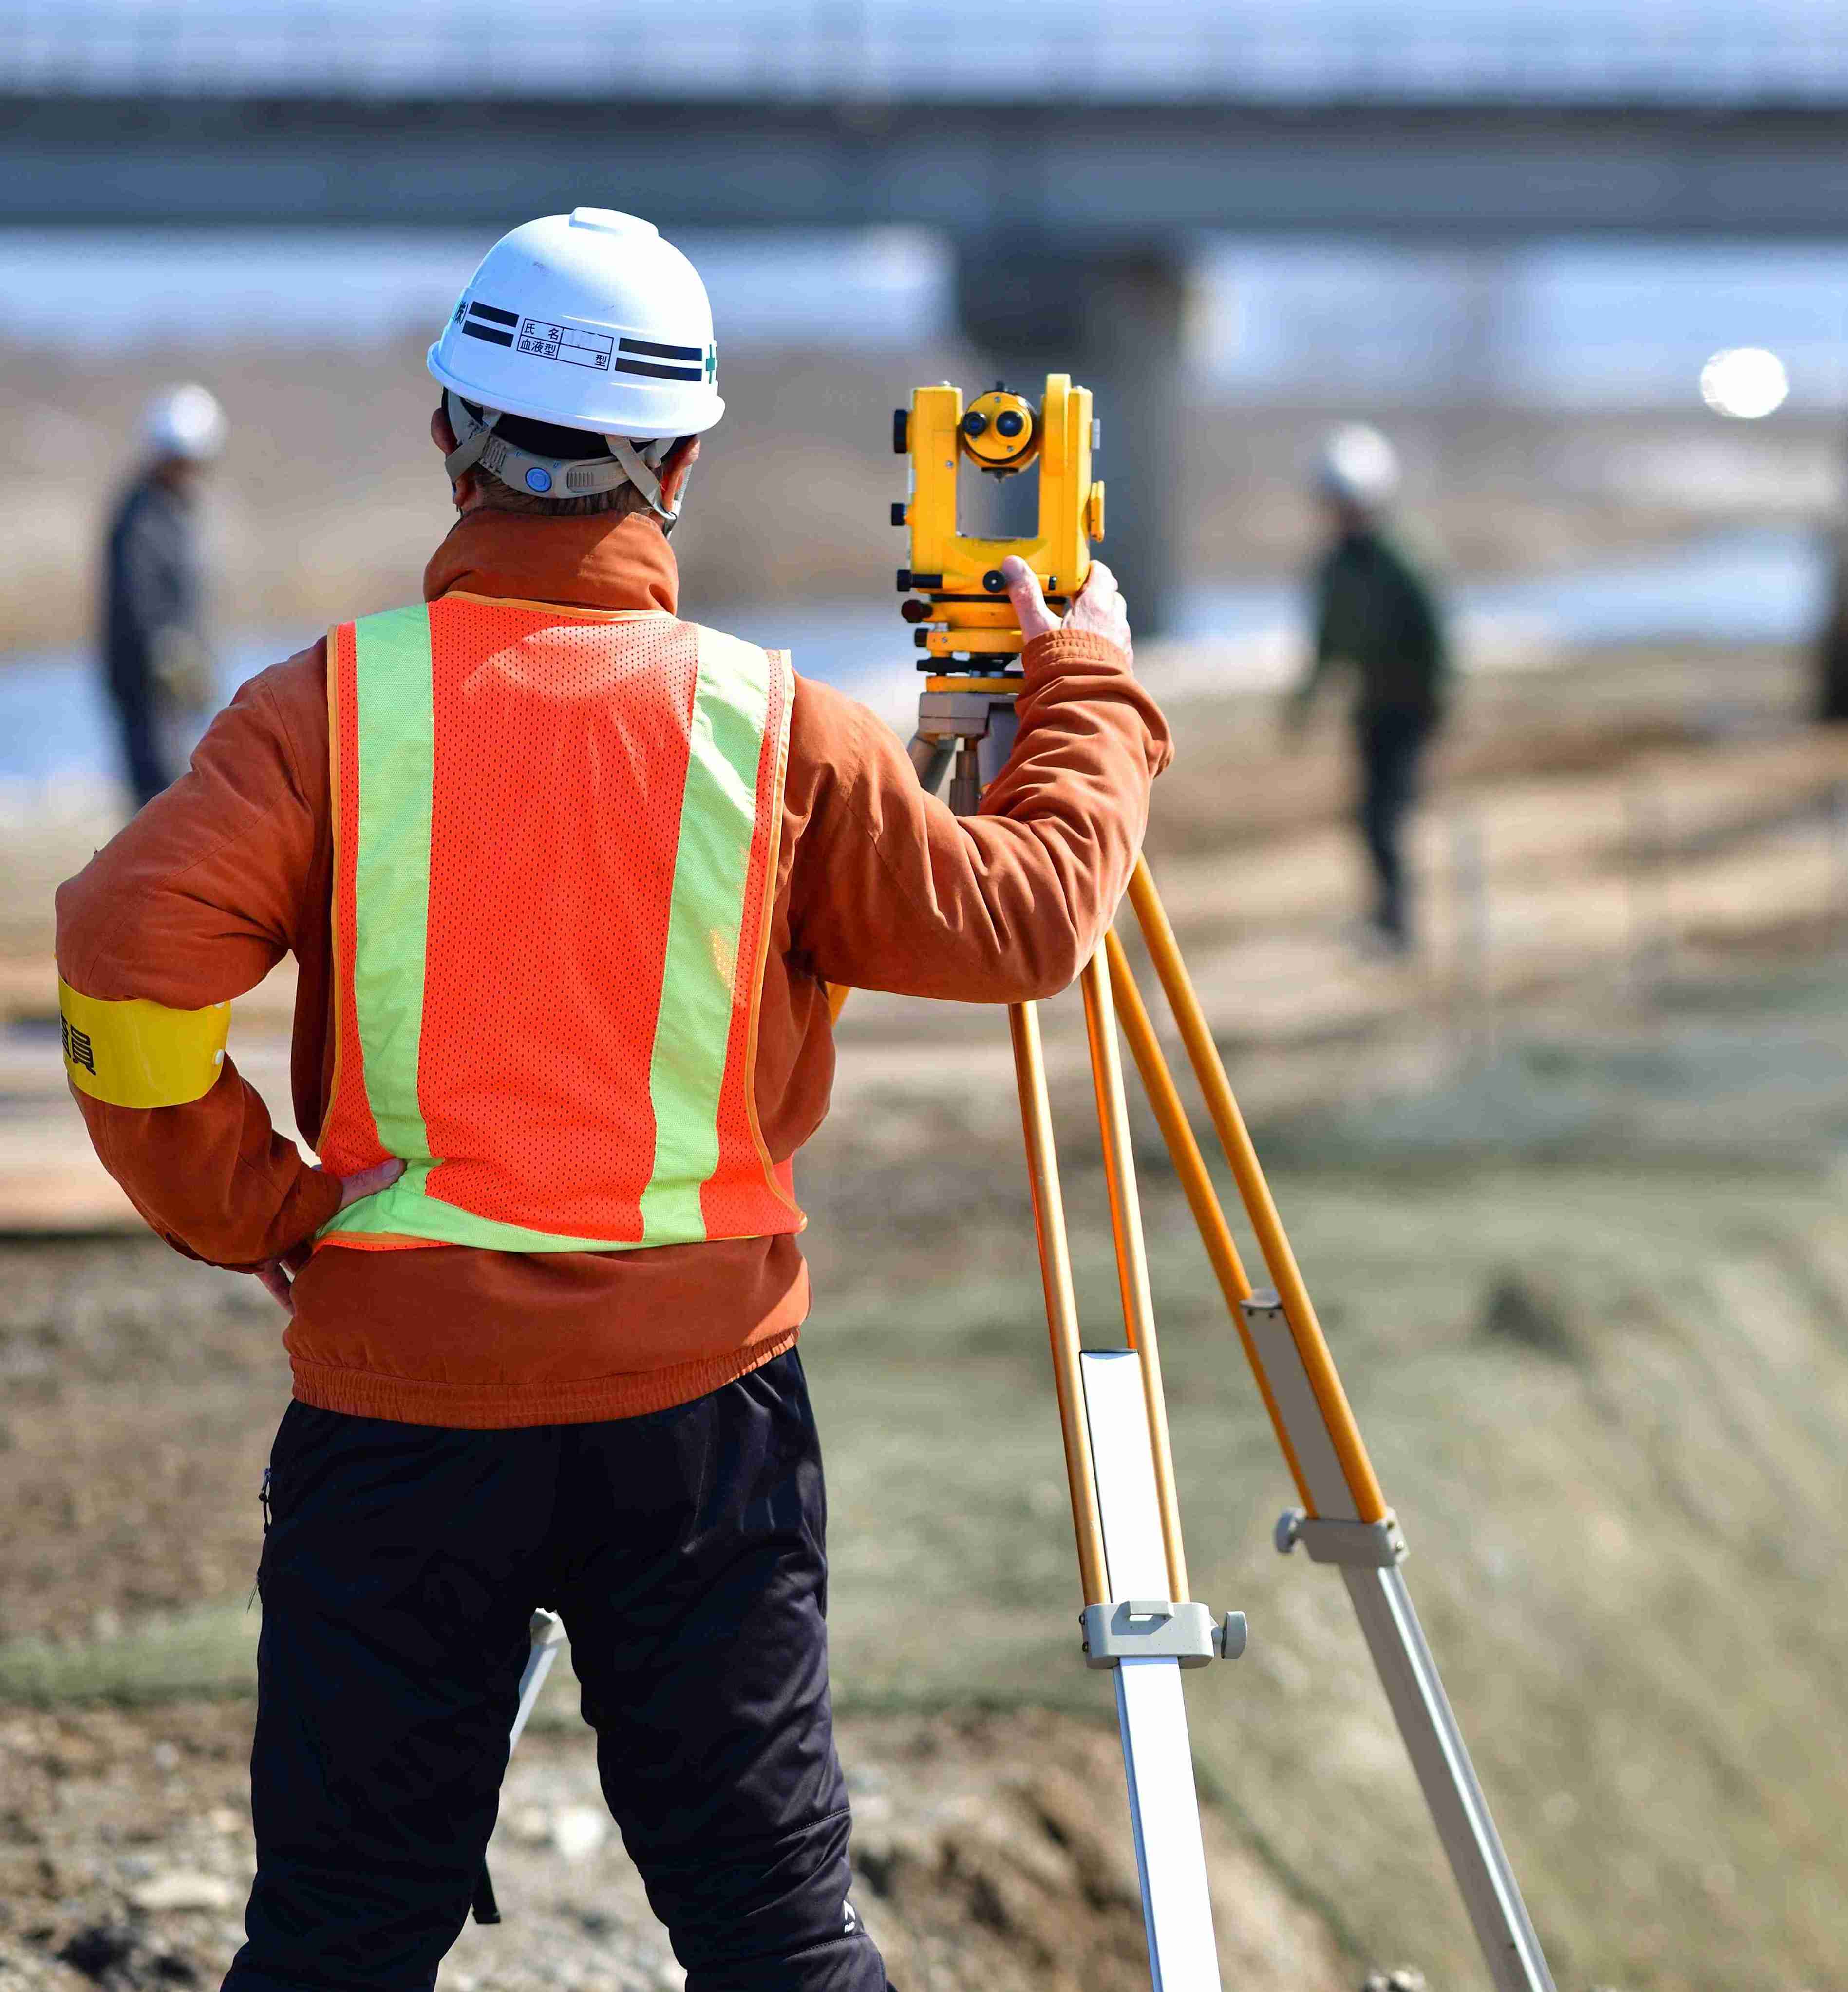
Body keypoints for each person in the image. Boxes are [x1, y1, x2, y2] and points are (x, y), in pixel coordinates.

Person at [52, 206, 1168, 1991]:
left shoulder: (321, 712)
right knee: (774, 1933)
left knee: (339, 1933)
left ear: (448, 437)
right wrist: (1086, 681)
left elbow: (123, 950)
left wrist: (244, 1202)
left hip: (399, 1414)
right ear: (682, 459)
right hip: (699, 1427)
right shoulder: (772, 723)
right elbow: (1027, 917)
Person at [1284, 422, 1450, 953]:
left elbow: (1434, 637)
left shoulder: (1402, 560)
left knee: (1385, 817)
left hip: (1408, 710)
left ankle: (1397, 925)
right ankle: (1387, 919)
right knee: (1370, 818)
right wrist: (1304, 705)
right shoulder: (1335, 567)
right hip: (1372, 710)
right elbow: (1327, 643)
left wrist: (1435, 706)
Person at [99, 383, 224, 808]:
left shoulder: (177, 512)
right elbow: (137, 605)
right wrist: (171, 657)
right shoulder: (140, 517)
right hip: (147, 691)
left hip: (179, 693)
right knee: (159, 802)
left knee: (187, 798)